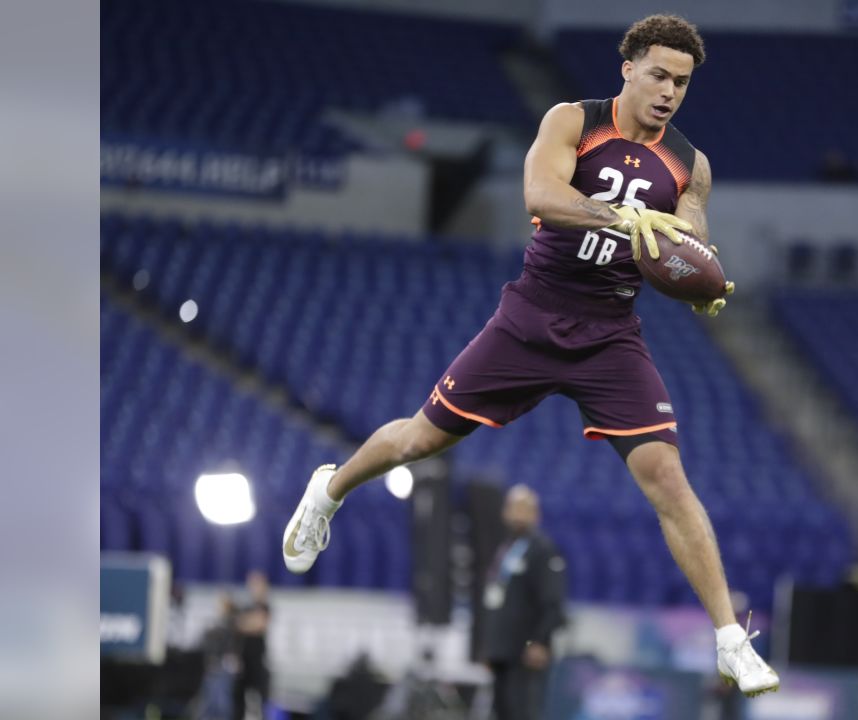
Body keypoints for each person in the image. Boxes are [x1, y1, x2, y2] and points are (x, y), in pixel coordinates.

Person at [281, 13, 778, 697]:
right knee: (419, 440)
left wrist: (698, 278)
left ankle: (729, 640)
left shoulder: (690, 167)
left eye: (683, 82)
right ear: (628, 66)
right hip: (533, 317)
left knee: (667, 475)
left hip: (609, 334)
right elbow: (540, 195)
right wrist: (623, 218)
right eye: (659, 74)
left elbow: (688, 245)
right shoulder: (573, 122)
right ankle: (327, 492)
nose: (669, 91)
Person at [479, 485, 565, 720]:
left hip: (525, 653)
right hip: (502, 651)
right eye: (513, 507)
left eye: (524, 509)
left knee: (523, 713)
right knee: (501, 712)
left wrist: (540, 641)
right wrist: (489, 646)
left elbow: (553, 601)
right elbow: (496, 599)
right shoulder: (504, 548)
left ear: (536, 514)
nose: (518, 514)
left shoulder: (543, 550)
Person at [233, 571, 271, 720]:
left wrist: (243, 622)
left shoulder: (265, 606)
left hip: (258, 660)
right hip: (244, 660)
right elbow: (237, 624)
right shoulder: (246, 607)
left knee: (260, 700)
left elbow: (258, 624)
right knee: (239, 700)